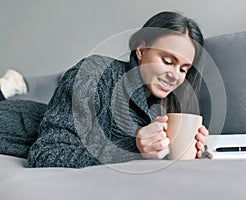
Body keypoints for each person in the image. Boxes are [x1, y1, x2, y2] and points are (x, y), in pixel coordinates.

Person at [0, 11, 209, 168]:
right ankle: (8, 85)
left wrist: (191, 148)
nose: (175, 75)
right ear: (141, 50)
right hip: (10, 119)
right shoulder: (95, 72)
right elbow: (47, 153)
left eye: (184, 69)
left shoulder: (157, 109)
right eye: (167, 61)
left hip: (41, 112)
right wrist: (135, 149)